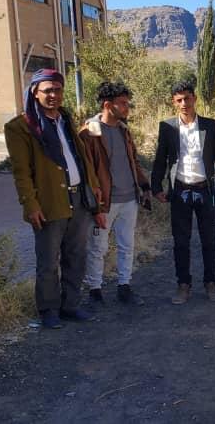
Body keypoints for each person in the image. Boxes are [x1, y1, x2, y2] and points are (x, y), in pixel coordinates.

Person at [4, 69, 101, 329]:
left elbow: (80, 158)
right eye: (47, 90)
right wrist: (30, 204)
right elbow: (21, 172)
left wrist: (93, 188)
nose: (53, 95)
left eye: (57, 90)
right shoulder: (20, 127)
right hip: (49, 203)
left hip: (78, 199)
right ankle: (48, 309)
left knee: (76, 256)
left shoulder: (65, 119)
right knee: (48, 260)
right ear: (35, 92)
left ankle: (70, 305)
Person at [79, 82, 151, 307]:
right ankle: (95, 290)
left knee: (126, 245)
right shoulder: (89, 133)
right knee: (97, 247)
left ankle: (124, 286)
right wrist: (95, 203)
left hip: (129, 199)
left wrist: (144, 185)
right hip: (104, 202)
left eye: (127, 103)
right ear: (107, 105)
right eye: (122, 103)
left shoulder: (123, 130)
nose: (127, 107)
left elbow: (133, 161)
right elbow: (86, 170)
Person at [152, 82, 215, 305]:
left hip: (206, 190)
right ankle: (183, 284)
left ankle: (211, 283)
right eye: (179, 100)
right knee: (181, 242)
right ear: (173, 102)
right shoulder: (167, 127)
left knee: (209, 240)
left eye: (187, 98)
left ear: (195, 98)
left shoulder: (210, 126)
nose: (184, 103)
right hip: (180, 191)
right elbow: (161, 158)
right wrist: (156, 187)